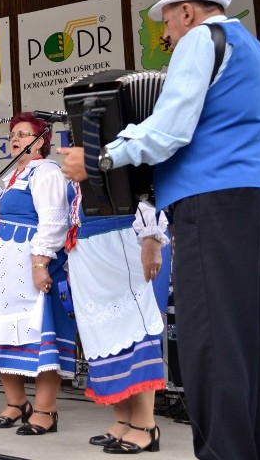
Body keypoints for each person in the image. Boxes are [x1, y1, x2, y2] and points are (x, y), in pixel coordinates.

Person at [60, 0, 260, 459]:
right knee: (250, 342)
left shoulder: (199, 41)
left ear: (188, 12)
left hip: (212, 202)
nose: (165, 36)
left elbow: (169, 129)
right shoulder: (255, 51)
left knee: (211, 342)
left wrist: (100, 158)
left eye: (166, 23)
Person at [0, 112, 76, 436]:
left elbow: (54, 220)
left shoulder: (45, 171)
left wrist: (40, 263)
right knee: (2, 335)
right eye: (13, 134)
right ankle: (17, 403)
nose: (15, 139)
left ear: (41, 141)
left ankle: (46, 410)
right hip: (2, 268)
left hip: (31, 262)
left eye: (23, 134)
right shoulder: (7, 178)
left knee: (39, 334)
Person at [65, 182, 168, 453]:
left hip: (119, 245)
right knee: (103, 337)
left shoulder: (119, 153)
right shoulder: (75, 173)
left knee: (135, 331)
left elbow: (148, 198)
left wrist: (152, 237)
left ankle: (146, 426)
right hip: (87, 256)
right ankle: (123, 420)